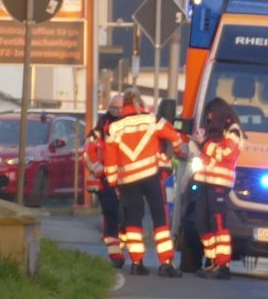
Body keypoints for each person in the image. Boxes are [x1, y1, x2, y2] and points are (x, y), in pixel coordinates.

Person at [103, 89, 185, 277]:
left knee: (133, 221)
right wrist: (178, 152)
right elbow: (175, 137)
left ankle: (136, 262)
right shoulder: (152, 120)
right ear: (140, 103)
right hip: (151, 177)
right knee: (160, 218)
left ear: (123, 106)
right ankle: (165, 263)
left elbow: (110, 160)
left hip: (127, 181)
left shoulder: (115, 128)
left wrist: (114, 183)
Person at [190, 97, 245, 280]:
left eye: (210, 113)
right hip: (205, 181)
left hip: (220, 184)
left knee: (218, 223)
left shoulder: (233, 131)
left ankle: (223, 265)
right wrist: (198, 146)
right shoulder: (214, 134)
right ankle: (213, 261)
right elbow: (209, 158)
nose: (209, 116)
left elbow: (226, 155)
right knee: (202, 222)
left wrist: (204, 144)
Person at [83, 95, 124, 268]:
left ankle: (123, 248)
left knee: (127, 216)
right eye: (114, 108)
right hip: (104, 181)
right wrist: (103, 173)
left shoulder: (127, 128)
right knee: (111, 214)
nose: (117, 112)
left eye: (120, 109)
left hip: (125, 180)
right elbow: (88, 154)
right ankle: (115, 255)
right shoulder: (98, 132)